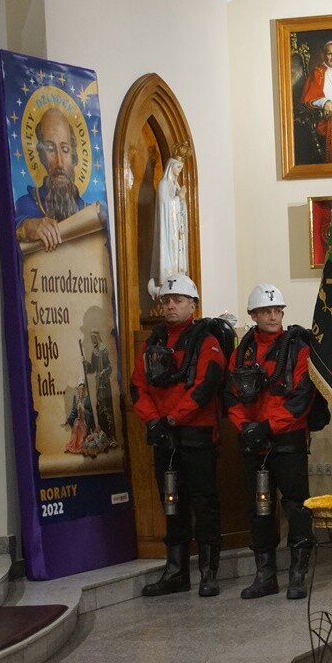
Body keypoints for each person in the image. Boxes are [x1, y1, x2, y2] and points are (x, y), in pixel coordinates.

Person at [130, 273, 226, 598]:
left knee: (204, 501)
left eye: (179, 300)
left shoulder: (207, 342)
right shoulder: (152, 343)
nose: (171, 305)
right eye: (167, 301)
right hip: (163, 437)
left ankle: (208, 572)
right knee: (171, 503)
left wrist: (171, 418)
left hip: (196, 435)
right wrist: (154, 420)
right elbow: (137, 387)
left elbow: (205, 387)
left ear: (193, 305)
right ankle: (176, 572)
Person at [226, 284, 317, 600]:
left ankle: (297, 574)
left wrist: (267, 427)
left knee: (297, 507)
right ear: (253, 314)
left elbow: (301, 399)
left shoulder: (299, 348)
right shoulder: (241, 353)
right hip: (255, 442)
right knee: (259, 509)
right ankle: (265, 575)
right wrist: (246, 427)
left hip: (288, 440)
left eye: (278, 310)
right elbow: (231, 396)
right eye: (266, 311)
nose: (273, 316)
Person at [14, 107, 88, 252]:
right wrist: (26, 228)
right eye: (50, 149)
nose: (59, 163)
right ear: (42, 155)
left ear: (73, 156)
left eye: (65, 150)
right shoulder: (26, 205)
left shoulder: (90, 211)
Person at [148, 155, 189, 299]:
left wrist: (181, 200)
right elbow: (165, 206)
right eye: (178, 167)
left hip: (177, 231)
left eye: (181, 168)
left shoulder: (176, 185)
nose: (179, 171)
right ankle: (166, 284)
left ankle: (178, 282)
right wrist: (179, 198)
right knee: (169, 257)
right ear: (171, 167)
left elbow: (181, 210)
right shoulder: (164, 183)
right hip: (168, 230)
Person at [84, 329, 115, 440]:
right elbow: (92, 369)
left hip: (105, 384)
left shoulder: (104, 350)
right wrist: (86, 364)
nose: (92, 340)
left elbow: (110, 367)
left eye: (94, 338)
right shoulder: (94, 351)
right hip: (98, 382)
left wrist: (104, 372)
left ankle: (111, 436)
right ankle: (103, 435)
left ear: (97, 337)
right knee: (99, 406)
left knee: (106, 406)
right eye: (91, 339)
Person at [65, 378, 93, 455]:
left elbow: (91, 414)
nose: (82, 391)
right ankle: (73, 446)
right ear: (77, 390)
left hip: (85, 422)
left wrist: (84, 410)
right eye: (80, 389)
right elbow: (74, 412)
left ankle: (80, 446)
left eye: (83, 389)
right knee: (76, 424)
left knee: (79, 427)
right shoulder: (76, 399)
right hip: (79, 420)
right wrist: (68, 419)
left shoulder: (87, 399)